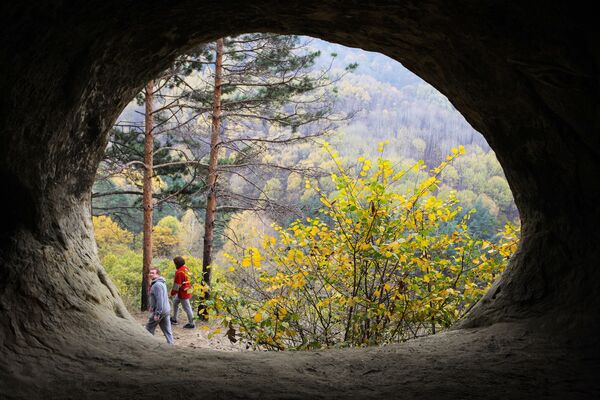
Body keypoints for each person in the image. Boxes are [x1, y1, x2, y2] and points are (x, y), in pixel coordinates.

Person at [145, 267, 174, 344]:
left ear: (157, 274)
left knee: (148, 328)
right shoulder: (161, 282)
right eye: (150, 273)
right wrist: (152, 306)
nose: (150, 274)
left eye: (153, 273)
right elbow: (156, 298)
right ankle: (171, 345)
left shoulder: (157, 285)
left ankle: (148, 344)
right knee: (167, 331)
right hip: (166, 310)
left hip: (160, 311)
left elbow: (160, 300)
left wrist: (157, 313)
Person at [170, 256, 195, 328]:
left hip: (183, 292)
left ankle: (191, 324)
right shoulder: (186, 268)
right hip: (186, 290)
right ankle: (174, 319)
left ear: (176, 264)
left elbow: (177, 285)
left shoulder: (179, 272)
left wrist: (172, 293)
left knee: (187, 308)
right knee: (175, 303)